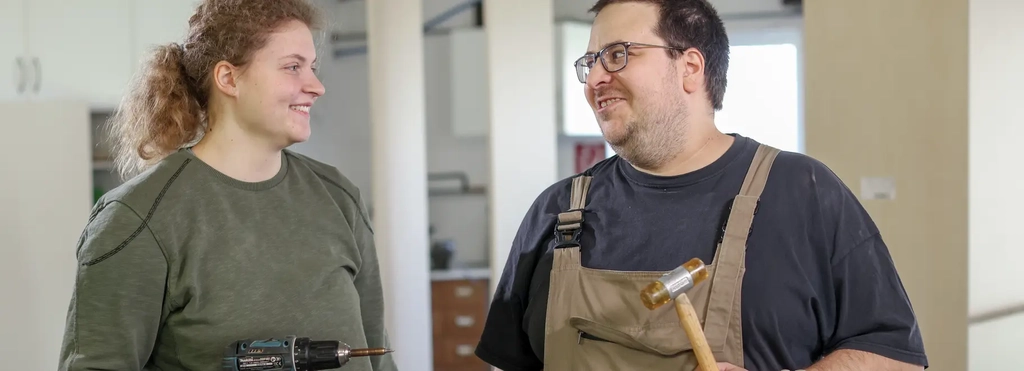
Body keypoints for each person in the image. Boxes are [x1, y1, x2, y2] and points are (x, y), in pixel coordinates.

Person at [474, 1, 928, 371]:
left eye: (616, 55)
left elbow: (893, 356)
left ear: (689, 66)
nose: (594, 80)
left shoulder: (804, 193)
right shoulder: (556, 211)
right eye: (589, 62)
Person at [56, 1, 397, 370]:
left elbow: (379, 359)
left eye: (312, 68)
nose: (316, 87)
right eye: (293, 67)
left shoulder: (339, 197)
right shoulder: (138, 220)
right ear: (229, 79)